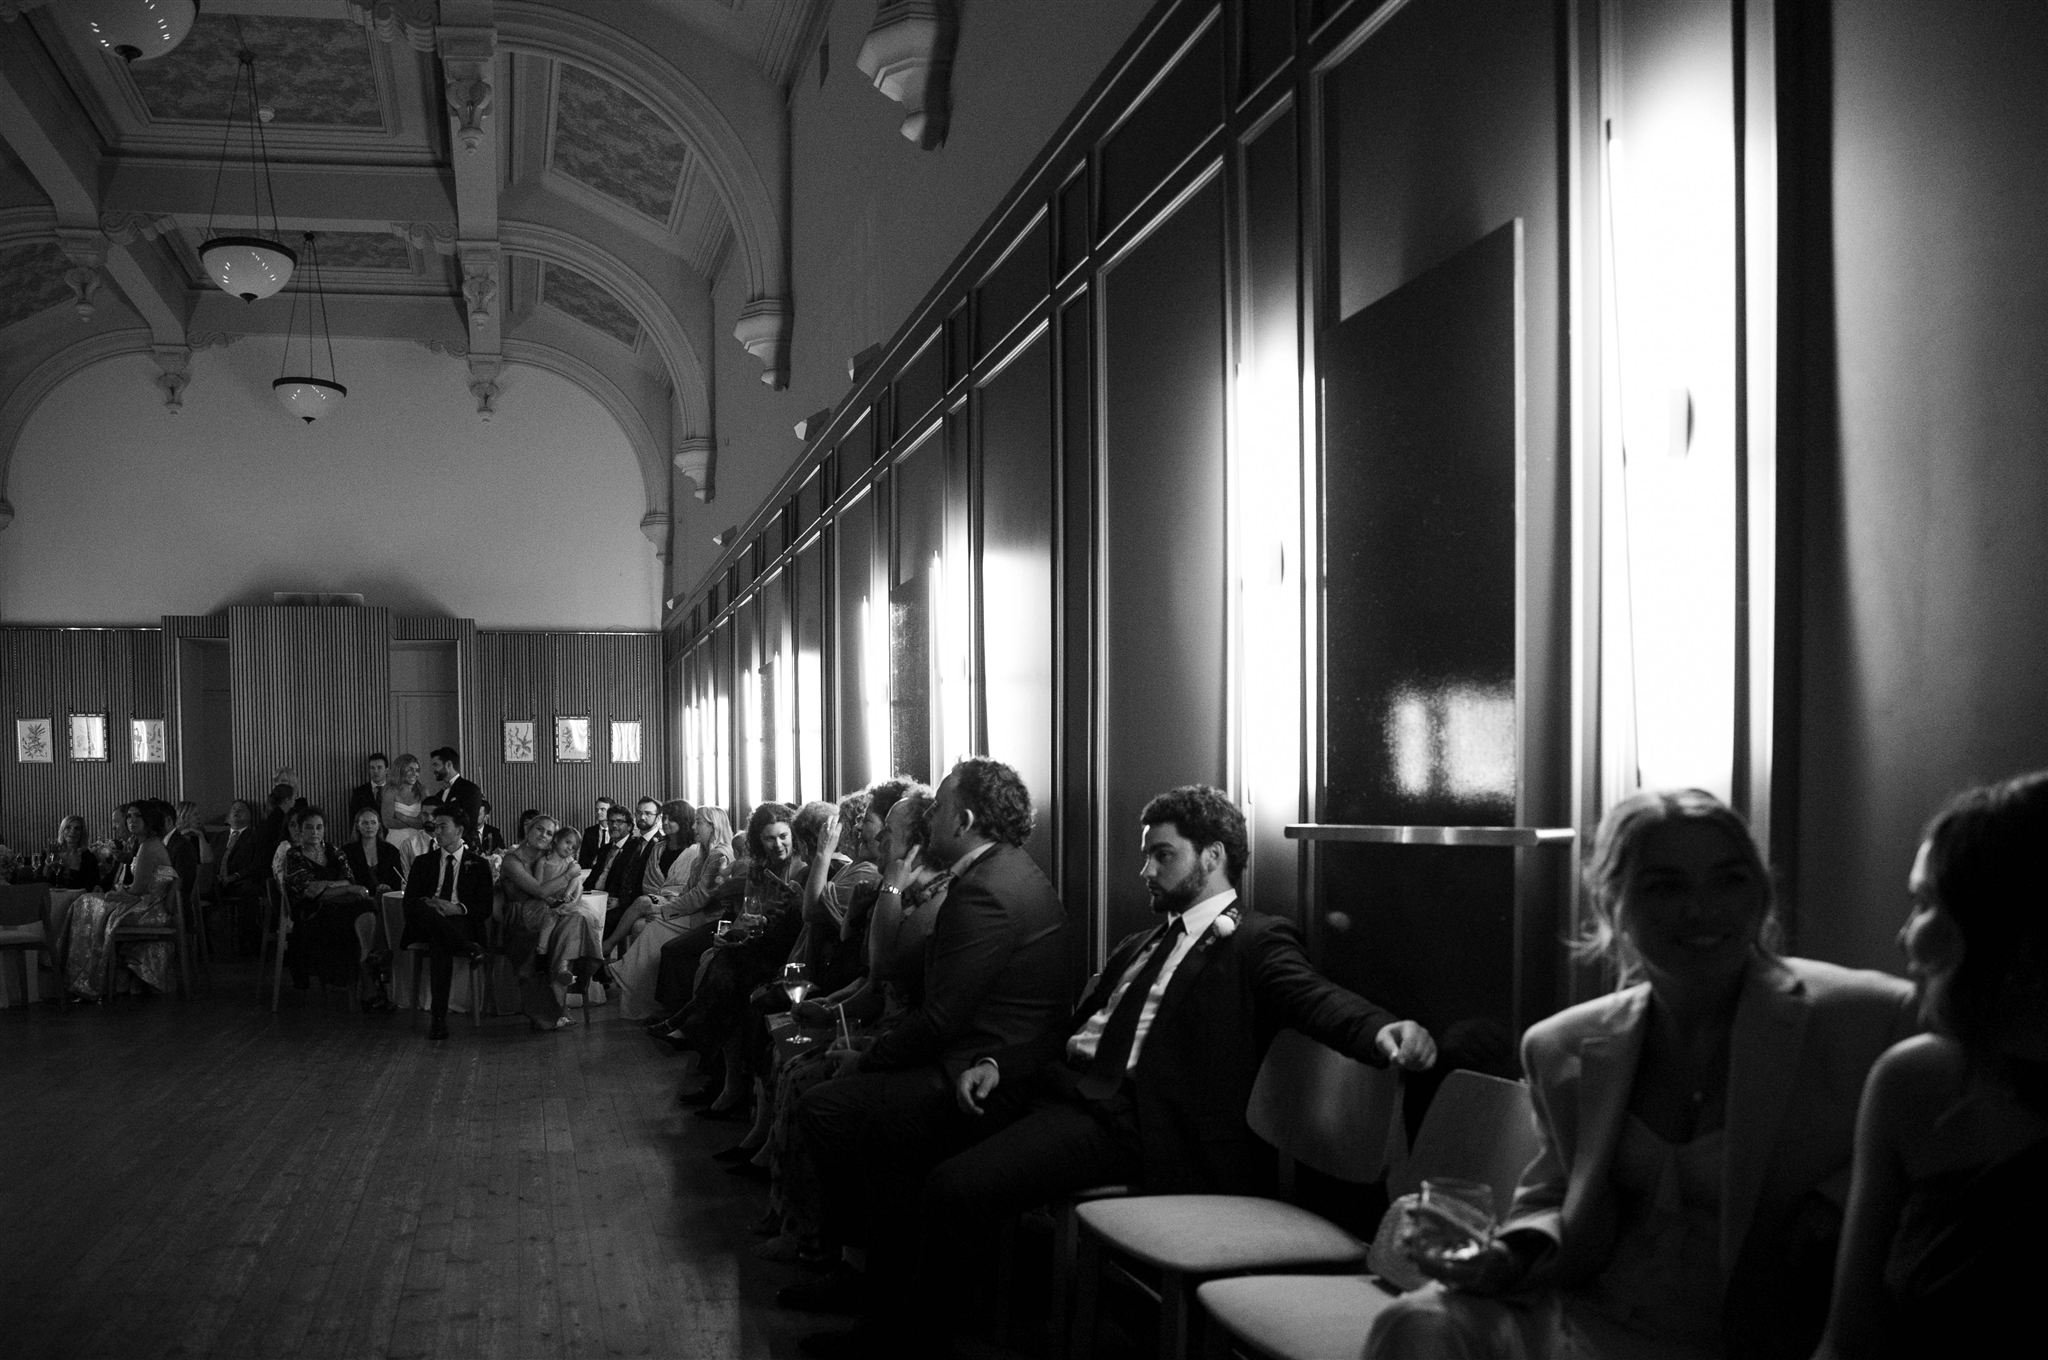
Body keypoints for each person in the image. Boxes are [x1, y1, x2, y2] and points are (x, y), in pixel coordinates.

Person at [846, 786, 1435, 1354]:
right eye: (1146, 855)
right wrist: (998, 1063)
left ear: (1213, 857)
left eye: (1162, 855)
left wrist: (1380, 1030)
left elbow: (1313, 997)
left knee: (954, 1186)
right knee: (903, 1136)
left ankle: (908, 1343)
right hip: (1059, 1093)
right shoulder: (1140, 944)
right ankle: (889, 1310)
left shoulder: (1255, 939)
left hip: (1131, 1122)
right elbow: (1070, 1031)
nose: (1146, 871)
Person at [1365, 789, 1918, 1360]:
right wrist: (1505, 1256)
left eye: (1729, 880)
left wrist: (1830, 1206)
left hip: (1760, 1333)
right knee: (1417, 1324)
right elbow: (1553, 1195)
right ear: (1612, 904)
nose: (1703, 909)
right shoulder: (1561, 1045)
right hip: (1591, 1317)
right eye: (1666, 886)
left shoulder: (1866, 1016)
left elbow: (1925, 1158)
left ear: (1762, 891)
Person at [791, 756, 1069, 1346]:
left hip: (986, 1078)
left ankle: (880, 1303)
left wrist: (866, 1059)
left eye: (938, 807)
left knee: (828, 1109)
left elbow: (942, 1020)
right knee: (851, 1115)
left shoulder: (985, 891)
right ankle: (869, 1284)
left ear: (963, 818)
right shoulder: (1003, 872)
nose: (930, 818)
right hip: (975, 1059)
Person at [1814, 771, 2048, 1359]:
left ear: (2008, 930)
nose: (1902, 937)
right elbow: (1848, 1344)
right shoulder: (1913, 1085)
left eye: (1923, 904)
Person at [617, 805, 735, 1021]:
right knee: (643, 926)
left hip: (709, 918)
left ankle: (626, 974)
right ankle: (639, 991)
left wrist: (664, 911)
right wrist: (668, 907)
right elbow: (690, 892)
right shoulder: (702, 855)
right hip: (695, 913)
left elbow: (699, 898)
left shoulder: (720, 855)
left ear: (713, 826)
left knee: (652, 926)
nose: (693, 826)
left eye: (698, 822)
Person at [499, 816, 604, 1032]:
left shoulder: (552, 857)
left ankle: (563, 974)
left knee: (577, 921)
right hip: (522, 917)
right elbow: (538, 891)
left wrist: (571, 896)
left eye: (549, 833)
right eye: (539, 829)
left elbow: (575, 886)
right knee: (572, 924)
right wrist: (568, 877)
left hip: (551, 912)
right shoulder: (513, 859)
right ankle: (560, 1001)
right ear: (528, 828)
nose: (543, 836)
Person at [63, 800, 175, 1000]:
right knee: (88, 901)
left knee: (87, 903)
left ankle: (87, 980)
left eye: (138, 816)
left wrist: (116, 892)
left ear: (149, 819)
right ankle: (88, 977)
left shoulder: (149, 847)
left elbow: (137, 890)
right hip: (145, 904)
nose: (131, 820)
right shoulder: (145, 844)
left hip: (150, 910)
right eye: (129, 816)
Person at [401, 808, 492, 1041]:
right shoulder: (423, 862)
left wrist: (457, 908)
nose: (437, 831)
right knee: (428, 914)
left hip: (459, 921)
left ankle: (438, 1019)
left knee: (440, 941)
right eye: (435, 826)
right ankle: (468, 948)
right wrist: (432, 904)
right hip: (426, 918)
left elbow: (484, 908)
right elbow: (410, 902)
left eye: (443, 826)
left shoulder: (479, 864)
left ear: (459, 830)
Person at [281, 806, 380, 999]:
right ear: (300, 830)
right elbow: (310, 892)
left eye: (319, 827)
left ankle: (366, 958)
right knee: (354, 911)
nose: (315, 832)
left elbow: (349, 879)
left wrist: (328, 885)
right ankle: (367, 965)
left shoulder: (334, 850)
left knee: (365, 905)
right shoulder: (294, 855)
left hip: (341, 905)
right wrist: (346, 888)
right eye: (309, 828)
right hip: (310, 913)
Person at [604, 799, 702, 956]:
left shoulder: (696, 852)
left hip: (678, 904)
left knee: (641, 912)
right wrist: (658, 896)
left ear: (683, 821)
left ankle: (610, 946)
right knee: (638, 923)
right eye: (664, 818)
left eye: (672, 819)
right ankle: (634, 974)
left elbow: (691, 887)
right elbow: (647, 882)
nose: (666, 822)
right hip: (653, 900)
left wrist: (667, 897)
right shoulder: (658, 848)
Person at [339, 805, 405, 1008]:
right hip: (357, 904)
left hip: (385, 903)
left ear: (379, 826)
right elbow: (345, 882)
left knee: (384, 902)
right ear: (357, 826)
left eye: (373, 822)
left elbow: (398, 881)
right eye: (364, 822)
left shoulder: (390, 851)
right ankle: (376, 962)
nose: (369, 826)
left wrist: (386, 887)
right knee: (369, 909)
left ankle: (371, 960)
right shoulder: (347, 851)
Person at [213, 799, 267, 953]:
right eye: (233, 809)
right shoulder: (218, 837)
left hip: (241, 881)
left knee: (249, 892)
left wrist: (235, 876)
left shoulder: (255, 837)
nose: (236, 811)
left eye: (241, 809)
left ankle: (248, 946)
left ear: (250, 816)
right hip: (217, 882)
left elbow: (257, 864)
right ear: (227, 817)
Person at [381, 754, 432, 869]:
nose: (415, 774)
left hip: (420, 842)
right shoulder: (390, 791)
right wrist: (415, 822)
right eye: (410, 769)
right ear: (400, 769)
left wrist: (403, 817)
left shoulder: (423, 791)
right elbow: (388, 822)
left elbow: (424, 823)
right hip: (395, 841)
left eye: (417, 770)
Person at [163, 799, 213, 909]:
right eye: (195, 814)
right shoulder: (174, 840)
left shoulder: (199, 836)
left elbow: (207, 863)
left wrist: (200, 837)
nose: (199, 817)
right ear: (184, 816)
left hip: (197, 884)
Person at [429, 746, 482, 838]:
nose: (433, 770)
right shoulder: (440, 793)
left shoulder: (470, 789)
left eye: (436, 765)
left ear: (448, 765)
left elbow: (470, 822)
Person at [45, 813, 100, 890]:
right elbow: (41, 880)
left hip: (77, 898)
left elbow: (93, 884)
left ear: (82, 833)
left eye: (77, 828)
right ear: (62, 831)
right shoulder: (52, 853)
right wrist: (47, 864)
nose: (72, 831)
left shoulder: (88, 857)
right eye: (68, 827)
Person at [347, 752, 391, 821]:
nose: (375, 771)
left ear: (386, 770)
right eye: (372, 768)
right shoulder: (359, 792)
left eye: (379, 767)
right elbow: (354, 819)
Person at [580, 796, 615, 868]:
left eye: (602, 809)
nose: (598, 812)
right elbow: (583, 860)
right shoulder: (589, 832)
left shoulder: (618, 831)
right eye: (596, 809)